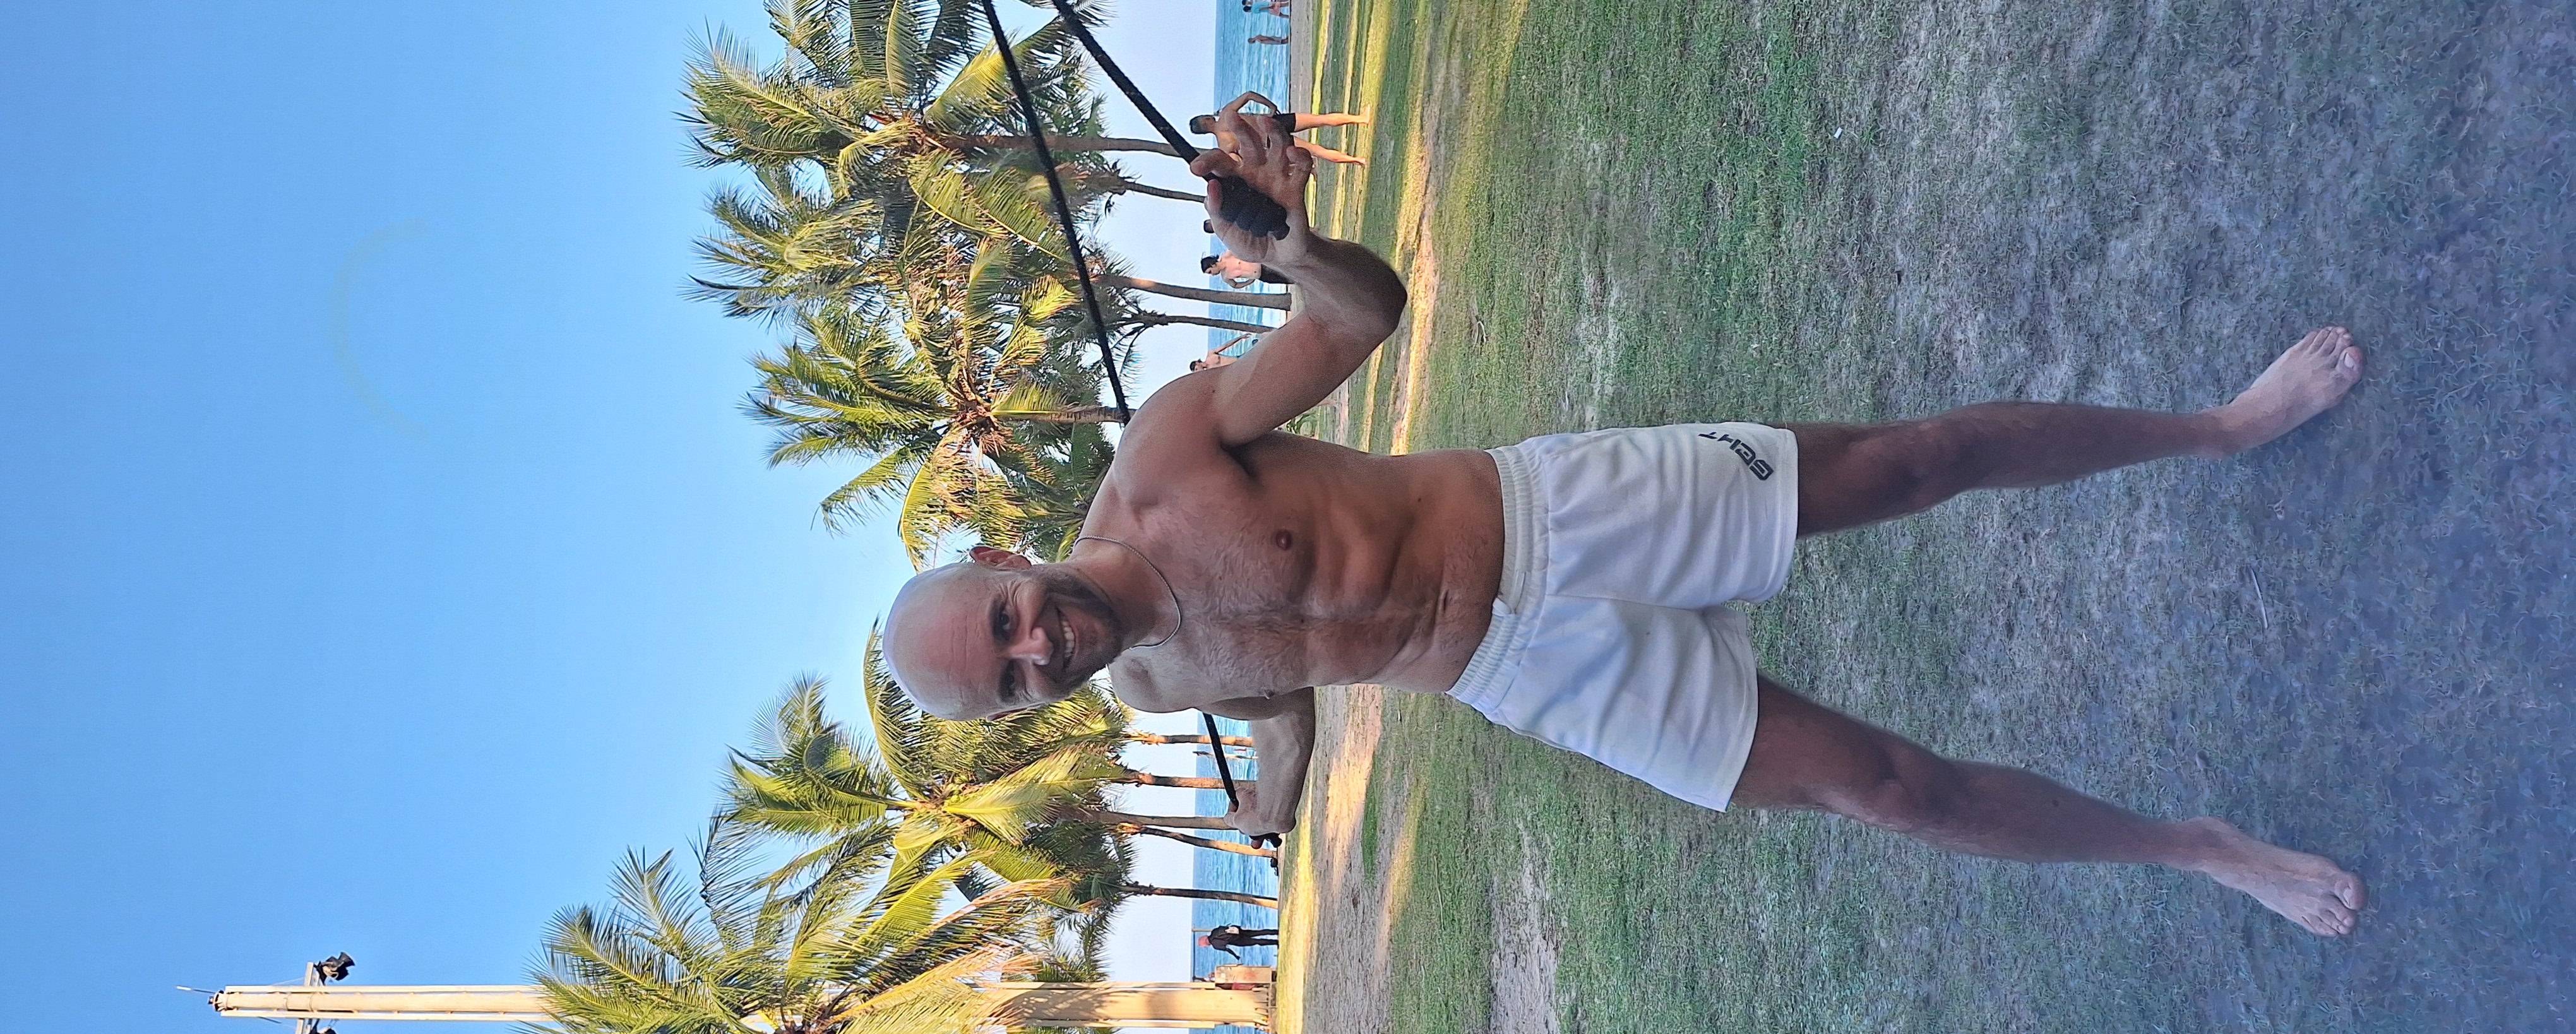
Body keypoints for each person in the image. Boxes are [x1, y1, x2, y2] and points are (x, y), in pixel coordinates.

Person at [880, 110, 2371, 937]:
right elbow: (1279, 693)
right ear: (1020, 709)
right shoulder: (1140, 686)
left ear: (1007, 562)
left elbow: (1360, 319)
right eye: (1009, 678)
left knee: (1910, 465)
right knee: (1883, 792)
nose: (1036, 648)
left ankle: (2219, 425)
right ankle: (2197, 850)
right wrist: (1272, 796)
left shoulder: (1161, 461)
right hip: (1533, 681)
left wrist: (1289, 252)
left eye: (1005, 618)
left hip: (1560, 517)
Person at [1191, 93, 1368, 165]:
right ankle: (1360, 119)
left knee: (1317, 151)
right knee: (1321, 120)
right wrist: (1271, 105)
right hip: (1272, 123)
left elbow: (1244, 162)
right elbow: (1249, 95)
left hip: (1272, 141)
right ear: (1207, 120)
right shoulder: (1226, 114)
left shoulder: (1224, 146)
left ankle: (1359, 160)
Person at [1203, 252, 1294, 288]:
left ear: (1212, 265)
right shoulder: (1225, 277)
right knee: (1289, 280)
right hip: (1262, 276)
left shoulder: (1227, 256)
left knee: (1291, 269)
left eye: (1210, 272)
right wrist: (1249, 282)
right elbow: (1235, 285)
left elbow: (1241, 248)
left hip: (1264, 264)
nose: (1212, 274)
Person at [1200, 924, 1281, 956]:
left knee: (1256, 942)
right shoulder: (1214, 931)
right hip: (1238, 932)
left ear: (1205, 944)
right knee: (1258, 932)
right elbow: (1224, 927)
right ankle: (1276, 932)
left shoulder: (1216, 946)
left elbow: (1228, 949)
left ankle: (1275, 942)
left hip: (1238, 941)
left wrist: (1236, 956)